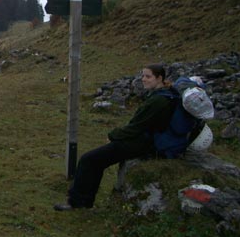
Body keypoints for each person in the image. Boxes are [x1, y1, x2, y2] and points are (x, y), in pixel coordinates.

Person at [54, 64, 174, 211]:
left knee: (89, 159)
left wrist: (113, 136)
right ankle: (83, 201)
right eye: (143, 76)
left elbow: (137, 126)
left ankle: (77, 202)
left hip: (142, 143)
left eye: (148, 76)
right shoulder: (162, 96)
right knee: (96, 161)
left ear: (159, 78)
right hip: (144, 140)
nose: (143, 79)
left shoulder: (158, 101)